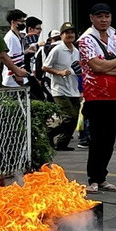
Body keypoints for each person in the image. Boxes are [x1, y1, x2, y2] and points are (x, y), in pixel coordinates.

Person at [78, 3, 116, 193]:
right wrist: (114, 63)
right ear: (92, 18)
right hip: (95, 96)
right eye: (99, 16)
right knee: (97, 139)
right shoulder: (85, 39)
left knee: (109, 140)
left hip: (113, 96)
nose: (104, 20)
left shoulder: (115, 39)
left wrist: (106, 64)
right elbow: (96, 67)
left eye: (107, 16)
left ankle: (103, 178)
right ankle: (93, 179)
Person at [42, 23, 81, 151]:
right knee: (69, 117)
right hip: (60, 90)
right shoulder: (57, 50)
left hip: (74, 89)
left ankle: (62, 143)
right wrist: (60, 72)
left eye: (72, 32)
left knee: (74, 119)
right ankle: (50, 133)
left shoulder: (76, 51)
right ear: (61, 35)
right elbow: (45, 67)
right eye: (67, 33)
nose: (70, 35)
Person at [2, 9, 28, 87]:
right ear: (13, 22)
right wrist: (17, 75)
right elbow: (10, 58)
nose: (23, 24)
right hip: (12, 80)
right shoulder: (10, 38)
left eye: (24, 21)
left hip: (19, 75)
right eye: (21, 21)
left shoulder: (17, 36)